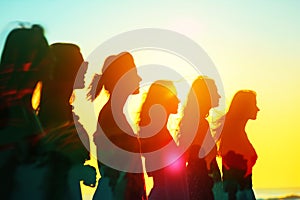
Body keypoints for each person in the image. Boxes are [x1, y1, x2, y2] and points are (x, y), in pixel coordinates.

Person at [0, 24, 53, 199]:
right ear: (28, 62)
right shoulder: (11, 118)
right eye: (45, 55)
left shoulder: (25, 113)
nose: (52, 61)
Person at [38, 43, 96, 199]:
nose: (85, 69)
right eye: (79, 64)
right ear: (66, 69)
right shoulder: (55, 110)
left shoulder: (63, 109)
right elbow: (56, 164)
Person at [88, 52, 146, 200]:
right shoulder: (111, 116)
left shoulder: (114, 114)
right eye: (134, 73)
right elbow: (114, 170)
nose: (139, 78)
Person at [138, 80, 189, 200]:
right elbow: (168, 179)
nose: (178, 100)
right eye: (174, 96)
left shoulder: (159, 133)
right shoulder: (158, 136)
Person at [179, 76, 221, 200]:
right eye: (215, 92)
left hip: (202, 183)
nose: (219, 96)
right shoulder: (197, 124)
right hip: (201, 185)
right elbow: (196, 159)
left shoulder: (199, 123)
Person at [219, 90, 259, 200]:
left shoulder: (238, 132)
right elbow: (232, 172)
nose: (257, 109)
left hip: (243, 191)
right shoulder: (233, 134)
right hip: (238, 193)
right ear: (244, 107)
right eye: (254, 104)